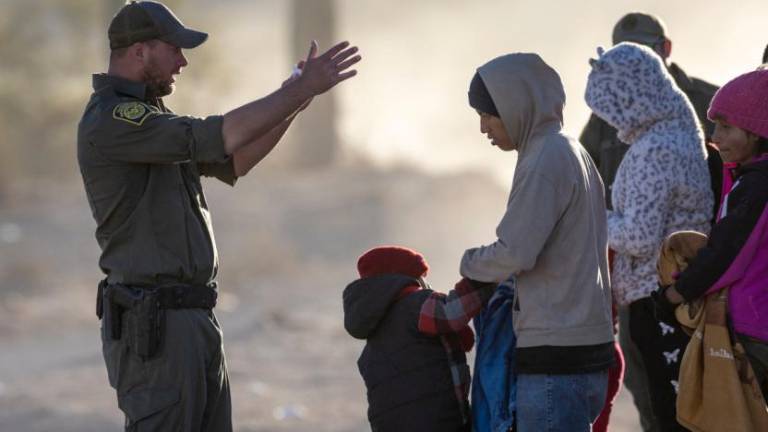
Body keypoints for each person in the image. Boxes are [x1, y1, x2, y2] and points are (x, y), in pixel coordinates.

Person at [77, 1, 361, 430]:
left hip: (190, 318)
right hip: (158, 324)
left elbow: (236, 160)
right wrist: (297, 91)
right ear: (139, 51)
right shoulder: (115, 119)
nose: (183, 61)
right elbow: (222, 134)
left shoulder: (152, 117)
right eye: (174, 49)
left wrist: (297, 100)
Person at [461, 53, 615, 432]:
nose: (482, 127)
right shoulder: (571, 149)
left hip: (556, 357)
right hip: (584, 347)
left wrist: (469, 263)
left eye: (488, 115)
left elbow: (515, 253)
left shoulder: (545, 158)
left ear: (515, 107)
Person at [585, 42, 713, 432]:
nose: (611, 120)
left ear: (632, 98)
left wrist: (592, 217)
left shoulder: (656, 150)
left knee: (671, 414)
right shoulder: (676, 130)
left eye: (612, 107)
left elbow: (640, 238)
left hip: (658, 301)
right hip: (674, 294)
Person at [657, 69, 768, 404]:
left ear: (757, 130)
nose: (715, 136)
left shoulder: (755, 186)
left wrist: (676, 294)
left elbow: (728, 254)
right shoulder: (747, 178)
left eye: (726, 127)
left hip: (753, 331)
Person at [343, 246, 495, 432]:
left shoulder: (375, 331)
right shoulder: (415, 305)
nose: (425, 283)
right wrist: (485, 277)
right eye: (421, 276)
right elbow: (451, 313)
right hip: (436, 423)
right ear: (402, 278)